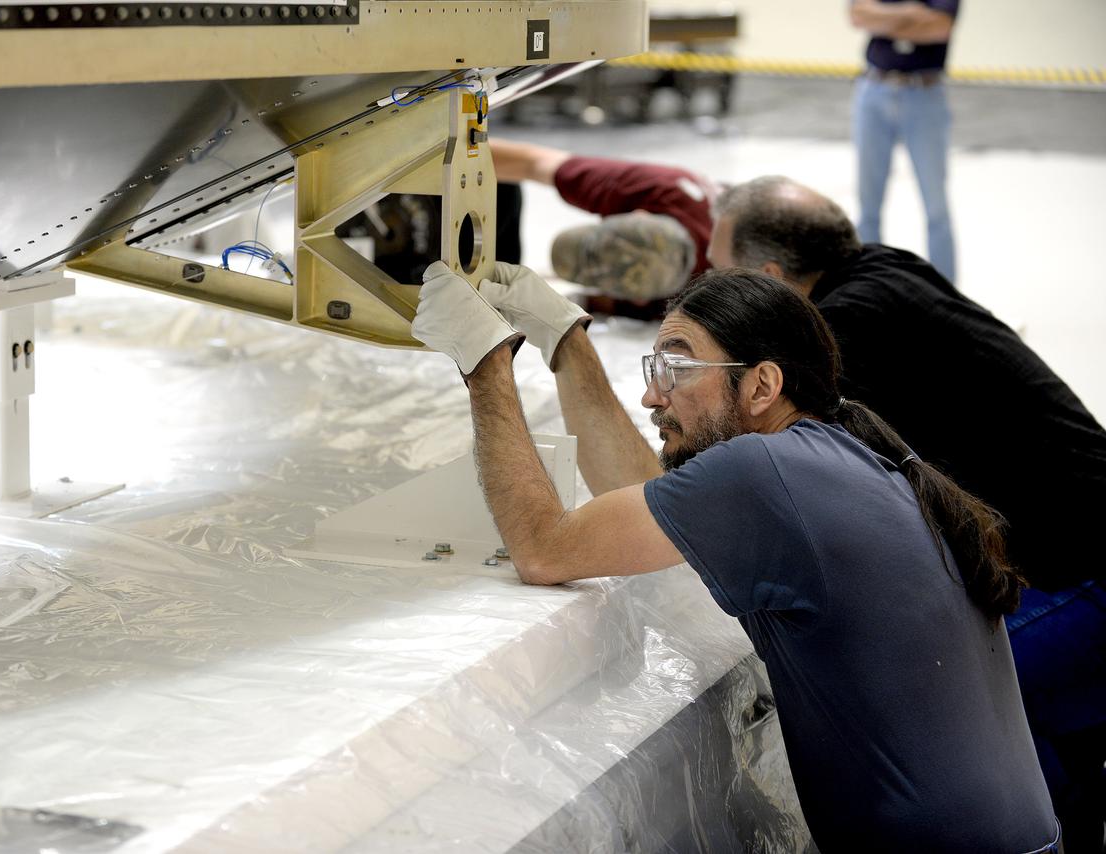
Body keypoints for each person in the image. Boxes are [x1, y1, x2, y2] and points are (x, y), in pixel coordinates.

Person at [410, 260, 1059, 850]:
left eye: (679, 367)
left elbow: (544, 549)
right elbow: (644, 501)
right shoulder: (839, 457)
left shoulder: (762, 476)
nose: (652, 396)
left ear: (761, 385)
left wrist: (485, 366)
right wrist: (567, 343)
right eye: (655, 368)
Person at [708, 174, 1106, 851]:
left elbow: (745, 463)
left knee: (961, 707)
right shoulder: (888, 269)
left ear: (772, 278)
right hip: (1073, 550)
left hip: (1088, 573)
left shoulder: (844, 328)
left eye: (719, 271)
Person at [489, 138, 721, 317]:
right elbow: (531, 161)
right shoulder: (659, 189)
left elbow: (589, 305)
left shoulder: (710, 306)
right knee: (501, 186)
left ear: (639, 298)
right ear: (638, 213)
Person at [849, 0, 959, 281]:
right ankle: (867, 284)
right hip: (874, 89)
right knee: (868, 203)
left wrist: (885, 20)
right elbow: (859, 16)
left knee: (936, 207)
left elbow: (939, 28)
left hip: (924, 94)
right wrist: (910, 14)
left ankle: (946, 293)